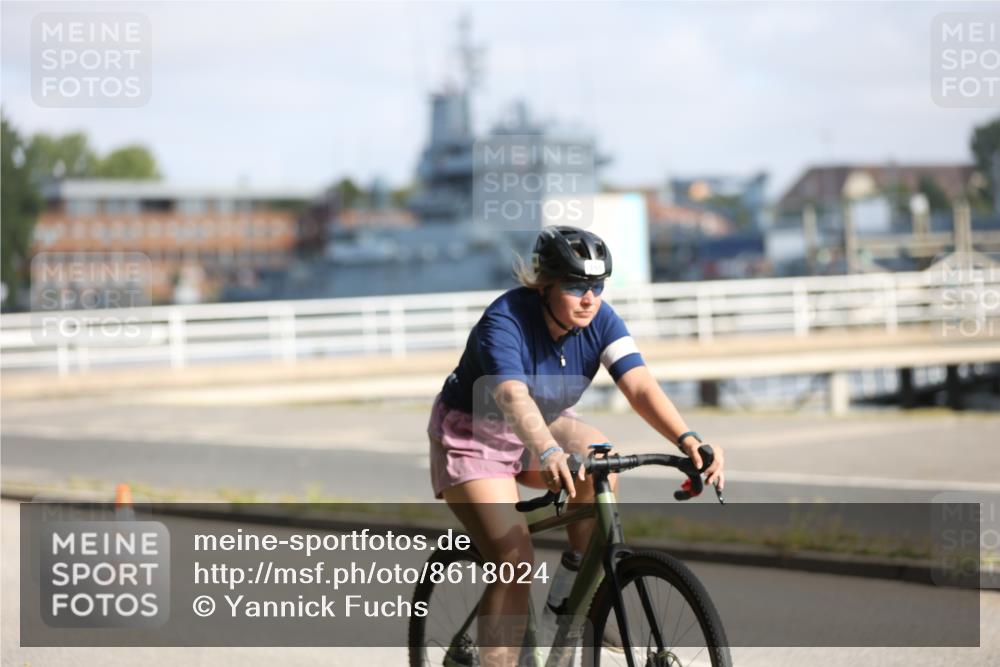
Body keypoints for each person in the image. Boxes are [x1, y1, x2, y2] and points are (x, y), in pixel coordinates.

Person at [427, 225, 726, 665]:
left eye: (597, 286)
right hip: (475, 437)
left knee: (600, 456)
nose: (589, 298)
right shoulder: (505, 320)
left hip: (543, 424)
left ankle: (568, 609)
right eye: (575, 286)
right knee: (514, 562)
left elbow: (639, 385)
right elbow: (512, 396)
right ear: (545, 285)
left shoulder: (599, 318)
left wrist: (688, 439)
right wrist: (548, 451)